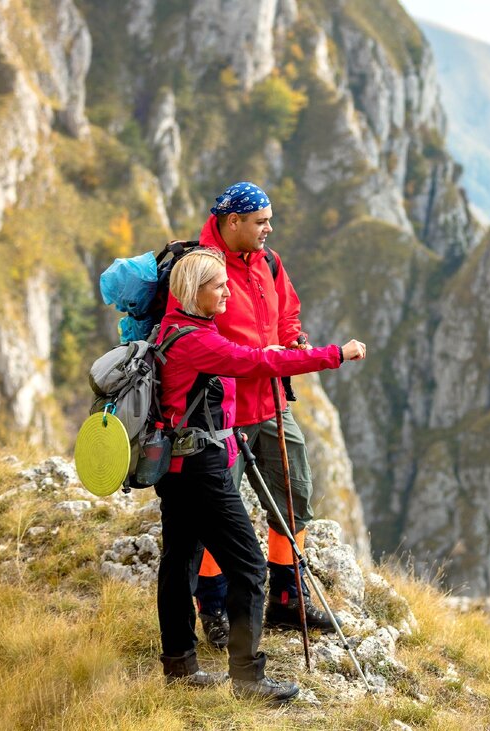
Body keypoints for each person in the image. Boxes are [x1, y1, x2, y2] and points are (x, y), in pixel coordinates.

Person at [155, 248, 366, 702]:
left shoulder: (174, 331)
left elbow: (238, 361)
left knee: (178, 562)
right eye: (219, 286)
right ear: (196, 292)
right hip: (202, 470)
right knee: (249, 566)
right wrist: (336, 355)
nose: (227, 290)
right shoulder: (199, 341)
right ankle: (248, 679)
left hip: (174, 466)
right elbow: (259, 365)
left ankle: (179, 666)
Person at [169, 182, 358, 634]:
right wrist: (325, 354)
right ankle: (212, 610)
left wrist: (295, 339)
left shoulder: (269, 263)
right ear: (232, 222)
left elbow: (286, 313)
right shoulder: (199, 269)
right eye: (260, 221)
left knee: (295, 499)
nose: (269, 228)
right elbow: (195, 339)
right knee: (218, 515)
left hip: (273, 405)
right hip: (219, 416)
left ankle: (288, 599)